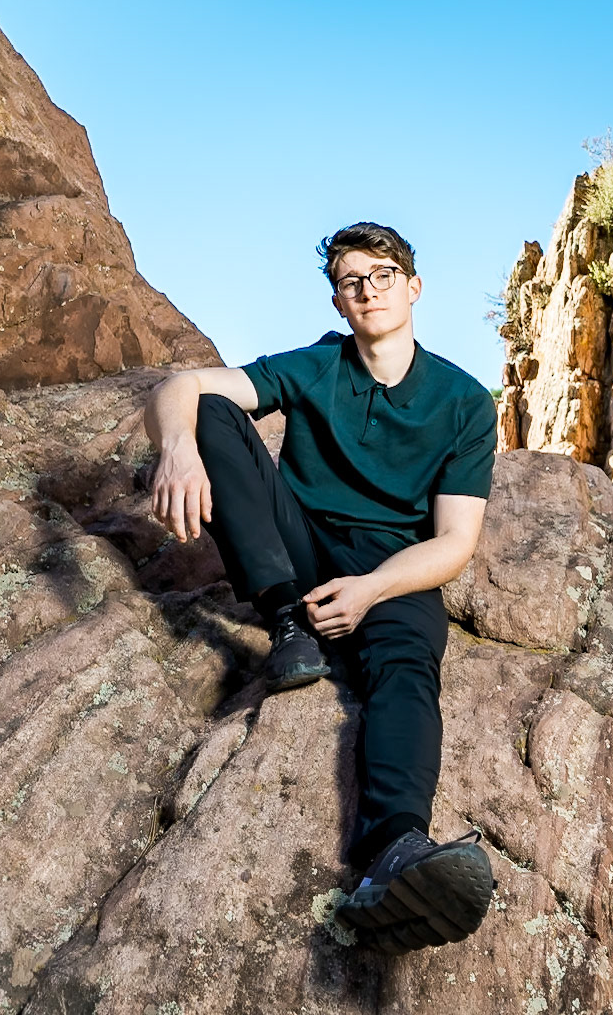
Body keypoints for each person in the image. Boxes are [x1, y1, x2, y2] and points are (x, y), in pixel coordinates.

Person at [143, 221, 499, 954]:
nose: (368, 290)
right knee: (212, 412)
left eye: (383, 275)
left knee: (406, 672)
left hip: (391, 571)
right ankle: (287, 625)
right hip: (298, 551)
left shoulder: (463, 401)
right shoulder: (316, 365)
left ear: (413, 287)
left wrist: (369, 591)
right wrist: (176, 450)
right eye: (350, 281)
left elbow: (454, 542)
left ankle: (394, 851)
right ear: (338, 301)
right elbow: (182, 385)